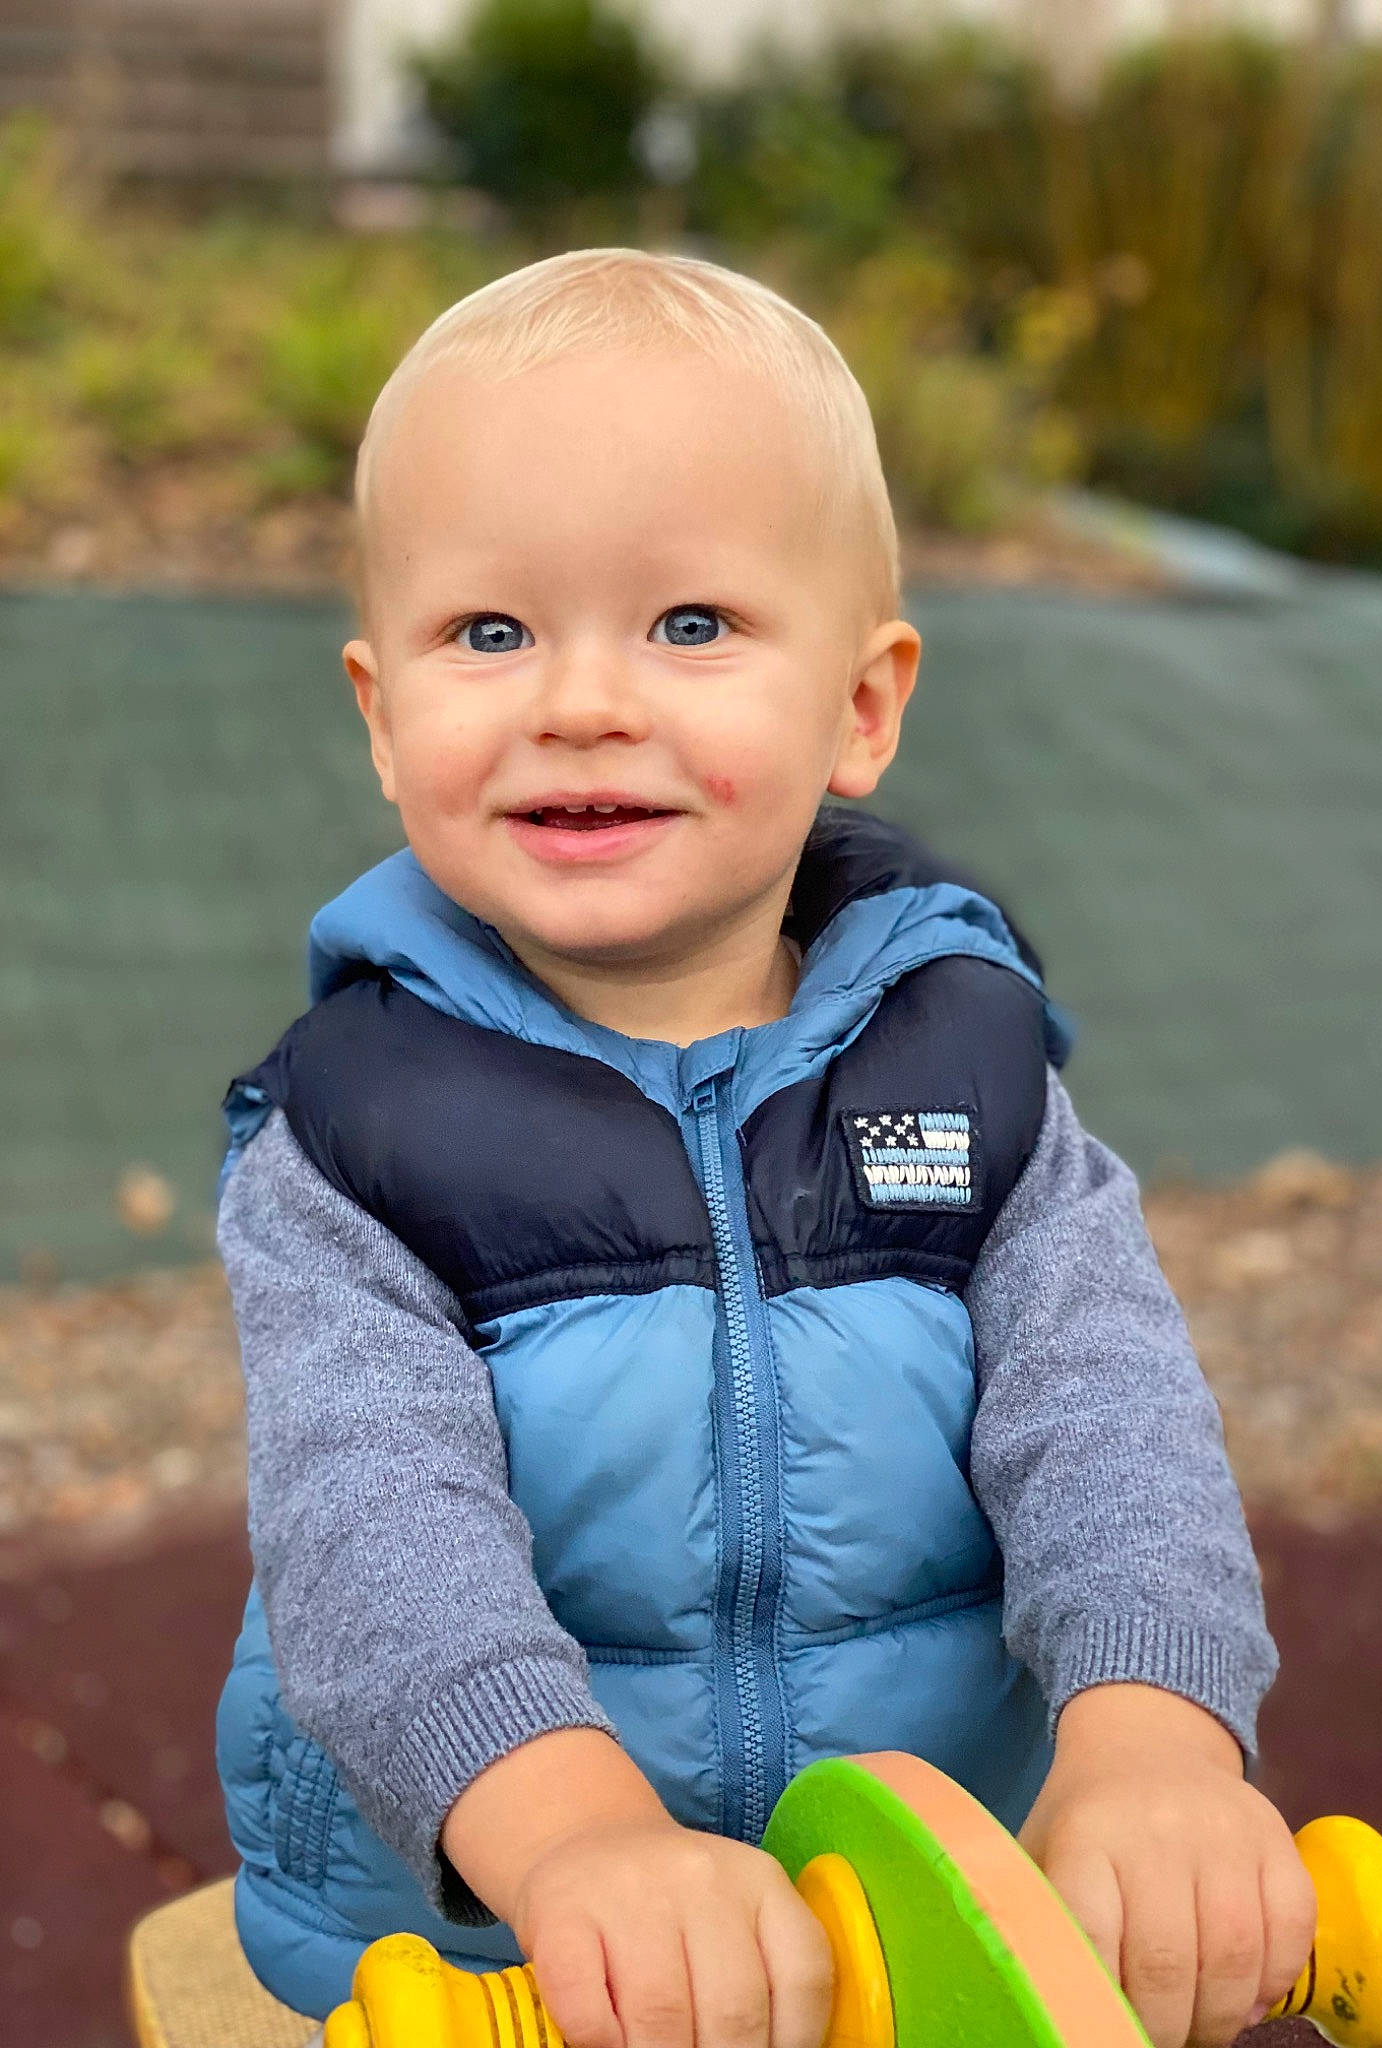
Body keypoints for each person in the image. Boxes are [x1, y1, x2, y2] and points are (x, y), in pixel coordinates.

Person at [214, 248, 1314, 2048]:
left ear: (863, 707)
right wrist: (576, 1849)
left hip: (908, 1922)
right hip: (501, 1954)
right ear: (380, 716)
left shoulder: (969, 1076)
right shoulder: (355, 1136)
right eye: (490, 634)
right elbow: (371, 1540)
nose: (580, 700)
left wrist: (1150, 1743)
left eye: (691, 625)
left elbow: (1112, 1430)